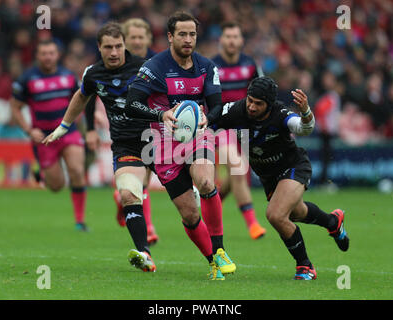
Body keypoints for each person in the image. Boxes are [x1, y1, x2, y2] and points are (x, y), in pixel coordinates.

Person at [42, 22, 177, 272]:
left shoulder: (145, 68)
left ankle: (215, 253)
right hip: (126, 146)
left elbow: (169, 94)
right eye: (108, 47)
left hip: (158, 141)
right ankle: (144, 252)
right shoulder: (93, 74)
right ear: (99, 48)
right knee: (130, 194)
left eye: (118, 46)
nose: (114, 52)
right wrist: (64, 126)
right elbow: (83, 96)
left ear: (124, 45)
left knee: (187, 206)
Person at [128, 11, 236, 280]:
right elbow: (132, 103)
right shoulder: (154, 67)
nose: (188, 39)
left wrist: (205, 121)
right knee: (189, 213)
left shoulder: (207, 67)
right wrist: (160, 114)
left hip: (198, 135)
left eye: (192, 34)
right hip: (163, 144)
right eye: (182, 34)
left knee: (206, 182)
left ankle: (220, 250)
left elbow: (217, 106)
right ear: (170, 37)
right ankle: (213, 261)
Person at [215, 76, 349, 280]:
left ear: (269, 104)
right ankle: (332, 221)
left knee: (276, 215)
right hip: (269, 176)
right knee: (296, 213)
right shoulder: (236, 110)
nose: (251, 106)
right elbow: (211, 119)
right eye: (250, 100)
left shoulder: (280, 114)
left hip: (293, 167)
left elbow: (305, 128)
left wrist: (305, 112)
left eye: (258, 104)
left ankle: (305, 266)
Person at [85, 18, 159, 246]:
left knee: (142, 180)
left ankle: (124, 202)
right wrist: (90, 128)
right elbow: (87, 95)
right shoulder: (100, 68)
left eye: (140, 37)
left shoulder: (154, 64)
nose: (136, 41)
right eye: (133, 37)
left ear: (147, 39)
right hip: (126, 137)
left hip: (152, 132)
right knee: (140, 180)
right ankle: (146, 225)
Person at [10, 39, 88, 231]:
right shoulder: (27, 79)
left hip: (67, 132)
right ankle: (41, 173)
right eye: (44, 53)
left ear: (57, 55)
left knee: (77, 171)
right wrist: (29, 130)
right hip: (44, 139)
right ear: (38, 56)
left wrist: (78, 119)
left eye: (51, 53)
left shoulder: (68, 77)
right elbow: (15, 107)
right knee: (56, 186)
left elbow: (81, 99)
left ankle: (80, 221)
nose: (48, 57)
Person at [211, 21, 266, 240]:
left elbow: (263, 94)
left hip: (246, 129)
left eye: (235, 37)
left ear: (241, 41)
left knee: (236, 177)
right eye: (228, 36)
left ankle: (210, 207)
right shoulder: (211, 66)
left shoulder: (250, 65)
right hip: (220, 126)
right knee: (236, 166)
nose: (232, 41)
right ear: (221, 40)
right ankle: (252, 223)